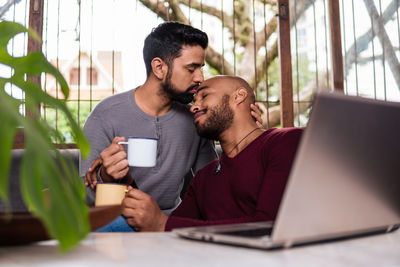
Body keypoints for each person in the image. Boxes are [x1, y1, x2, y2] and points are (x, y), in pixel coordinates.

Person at [81, 22, 262, 232]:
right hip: (119, 221)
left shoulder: (195, 119)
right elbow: (85, 197)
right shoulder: (106, 114)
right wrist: (106, 177)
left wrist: (250, 139)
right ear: (159, 67)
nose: (200, 78)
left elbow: (215, 185)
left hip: (174, 224)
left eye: (201, 69)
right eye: (191, 68)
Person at [120, 75, 303, 232]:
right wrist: (123, 178)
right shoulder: (204, 177)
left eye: (204, 95)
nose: (194, 107)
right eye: (194, 101)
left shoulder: (285, 142)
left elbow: (270, 226)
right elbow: (168, 230)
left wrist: (163, 224)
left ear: (238, 96)